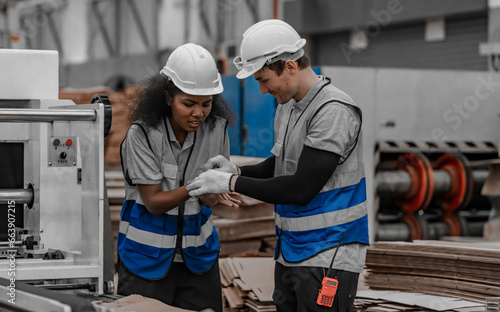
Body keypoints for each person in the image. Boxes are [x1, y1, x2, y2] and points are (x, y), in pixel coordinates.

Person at [187, 19, 369, 312]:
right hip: (291, 249)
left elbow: (300, 188)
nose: (261, 90)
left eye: (263, 79)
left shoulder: (332, 111)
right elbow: (281, 165)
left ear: (290, 66)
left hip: (329, 251)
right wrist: (234, 171)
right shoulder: (289, 106)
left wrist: (229, 184)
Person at [116, 43, 239, 312]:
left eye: (206, 104)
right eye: (189, 103)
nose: (198, 113)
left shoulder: (217, 129)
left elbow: (208, 201)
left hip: (198, 259)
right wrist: (198, 186)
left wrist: (212, 194)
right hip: (145, 262)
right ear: (168, 97)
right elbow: (154, 203)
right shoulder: (143, 135)